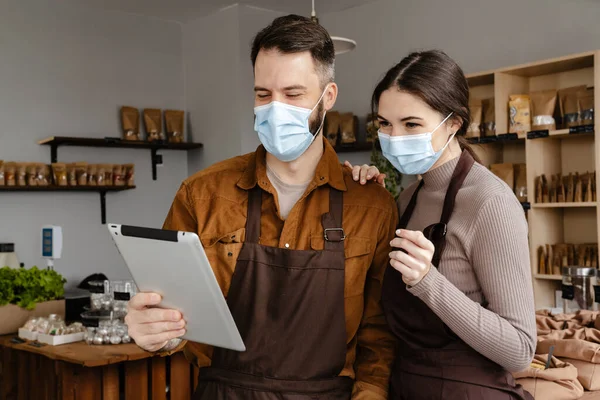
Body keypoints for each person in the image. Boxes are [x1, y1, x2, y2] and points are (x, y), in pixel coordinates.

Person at [125, 15, 397, 400]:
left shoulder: (371, 205)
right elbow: (172, 315)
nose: (275, 108)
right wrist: (155, 333)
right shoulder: (201, 195)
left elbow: (379, 336)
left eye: (293, 94)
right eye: (263, 94)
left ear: (328, 96)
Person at [347, 50, 536, 399]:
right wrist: (368, 202)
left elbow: (520, 350)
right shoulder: (405, 198)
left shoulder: (489, 202)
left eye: (411, 124)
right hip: (403, 387)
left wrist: (428, 281)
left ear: (454, 123)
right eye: (385, 124)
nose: (394, 136)